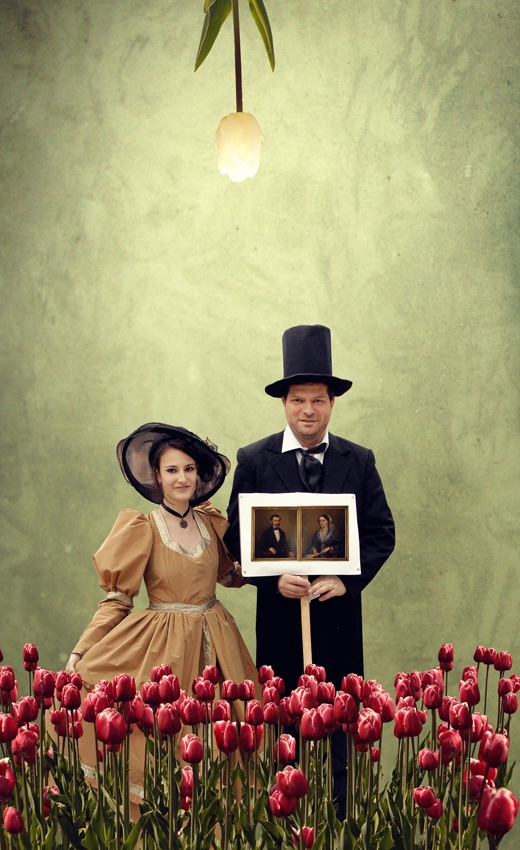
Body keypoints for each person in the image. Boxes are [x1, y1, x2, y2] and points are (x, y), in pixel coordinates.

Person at [225, 324, 395, 816]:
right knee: (285, 733)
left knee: (341, 730)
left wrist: (347, 580)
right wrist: (271, 578)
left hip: (339, 623)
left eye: (318, 400)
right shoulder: (254, 460)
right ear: (284, 403)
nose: (308, 410)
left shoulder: (358, 460)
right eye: (298, 400)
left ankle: (338, 825)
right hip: (281, 623)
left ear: (332, 403)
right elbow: (235, 537)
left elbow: (382, 533)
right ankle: (287, 828)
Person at [67, 422, 257, 800]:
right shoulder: (144, 527)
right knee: (167, 738)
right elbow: (118, 600)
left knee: (224, 738)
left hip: (219, 644)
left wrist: (279, 562)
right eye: (172, 470)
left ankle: (211, 826)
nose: (182, 478)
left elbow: (232, 576)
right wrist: (81, 649)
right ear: (157, 475)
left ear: (198, 473)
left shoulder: (211, 522)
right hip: (164, 651)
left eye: (189, 469)